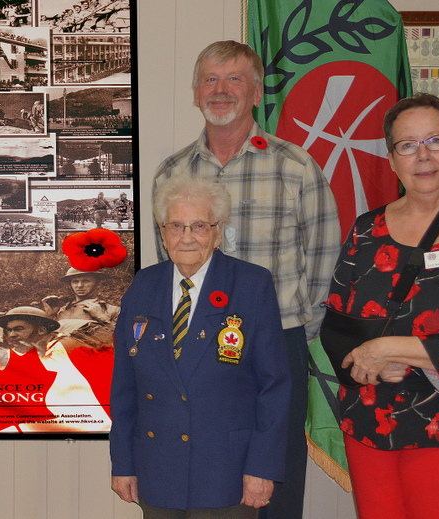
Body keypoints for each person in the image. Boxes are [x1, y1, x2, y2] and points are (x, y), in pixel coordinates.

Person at [152, 40, 340, 519]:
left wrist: (293, 334)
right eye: (210, 80)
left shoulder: (295, 166)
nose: (221, 90)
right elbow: (167, 265)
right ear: (195, 93)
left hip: (276, 344)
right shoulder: (172, 172)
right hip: (192, 348)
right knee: (204, 469)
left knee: (275, 476)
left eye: (234, 79)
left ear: (256, 91)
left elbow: (324, 260)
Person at [324, 93, 439, 519]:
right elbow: (336, 323)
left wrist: (387, 349)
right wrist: (366, 358)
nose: (423, 156)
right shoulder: (366, 230)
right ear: (392, 159)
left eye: (435, 141)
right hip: (369, 422)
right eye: (407, 145)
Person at [112, 173, 290, 518]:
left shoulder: (251, 285)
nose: (187, 238)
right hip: (157, 470)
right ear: (162, 232)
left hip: (227, 473)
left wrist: (262, 467)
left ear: (219, 231)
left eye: (199, 226)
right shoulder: (143, 286)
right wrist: (124, 462)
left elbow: (274, 387)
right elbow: (124, 386)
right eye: (176, 226)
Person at [45, 267, 120, 324]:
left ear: (97, 283)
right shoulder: (61, 311)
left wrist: (103, 318)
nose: (80, 285)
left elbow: (122, 339)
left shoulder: (113, 311)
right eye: (75, 281)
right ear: (70, 284)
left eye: (86, 281)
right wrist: (51, 316)